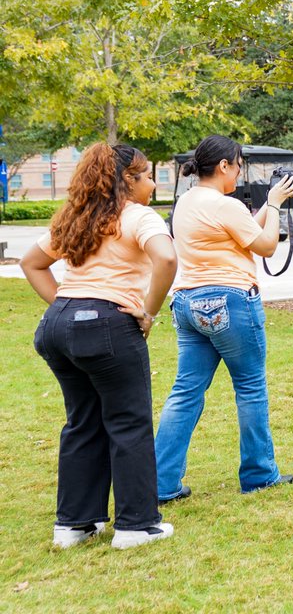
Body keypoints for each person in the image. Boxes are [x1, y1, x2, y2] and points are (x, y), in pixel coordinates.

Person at [20, 143, 178, 549]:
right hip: (108, 326)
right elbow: (167, 260)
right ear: (128, 180)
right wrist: (149, 312)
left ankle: (73, 525)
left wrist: (68, 307)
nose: (152, 183)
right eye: (146, 176)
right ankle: (136, 526)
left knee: (82, 421)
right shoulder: (140, 216)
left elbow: (31, 263)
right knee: (129, 422)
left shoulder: (78, 216)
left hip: (56, 328)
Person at [155, 135, 293, 500]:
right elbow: (266, 244)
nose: (239, 171)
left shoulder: (187, 201)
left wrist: (269, 201)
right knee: (250, 388)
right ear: (223, 166)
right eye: (238, 165)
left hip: (187, 304)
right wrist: (279, 205)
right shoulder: (224, 206)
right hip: (231, 302)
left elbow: (247, 228)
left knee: (186, 393)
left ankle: (159, 482)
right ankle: (260, 475)